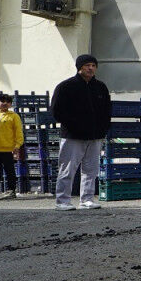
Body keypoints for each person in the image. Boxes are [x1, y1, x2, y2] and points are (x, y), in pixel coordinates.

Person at [50, 54, 112, 211]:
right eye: (87, 65)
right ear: (79, 68)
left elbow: (107, 111)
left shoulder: (100, 87)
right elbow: (57, 111)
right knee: (67, 170)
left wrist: (103, 129)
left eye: (93, 65)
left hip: (95, 136)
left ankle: (87, 200)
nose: (90, 68)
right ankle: (62, 201)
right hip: (73, 136)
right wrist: (73, 126)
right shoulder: (66, 87)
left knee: (91, 170)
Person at [0, 94, 24, 199]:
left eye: (8, 101)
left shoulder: (13, 116)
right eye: (2, 101)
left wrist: (17, 145)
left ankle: (11, 190)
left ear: (11, 104)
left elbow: (19, 132)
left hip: (7, 149)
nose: (5, 103)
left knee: (9, 170)